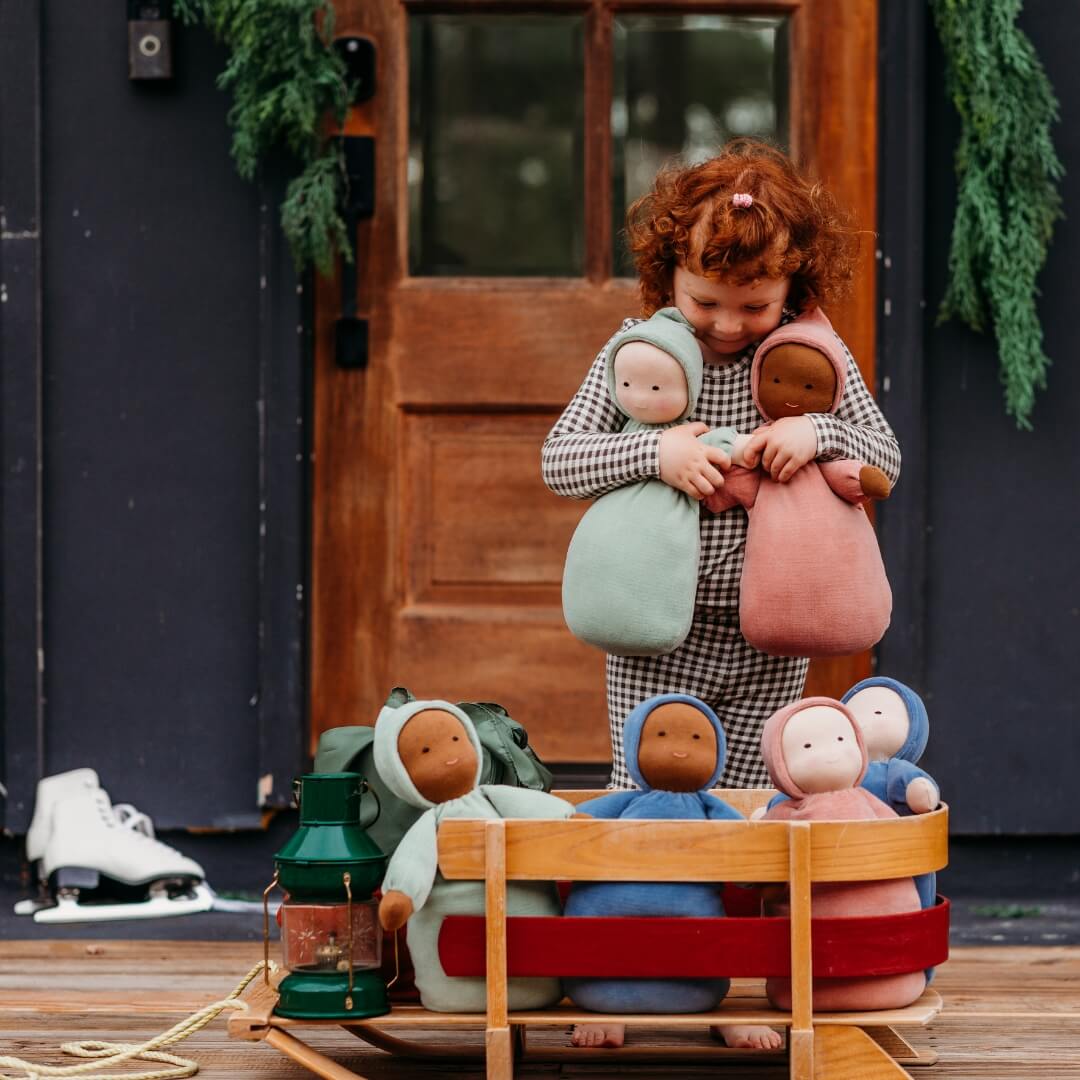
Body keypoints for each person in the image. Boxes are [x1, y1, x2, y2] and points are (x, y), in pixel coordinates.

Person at [542, 138, 901, 791]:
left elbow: (886, 457)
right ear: (666, 274)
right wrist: (655, 450)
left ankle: (739, 898)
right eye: (705, 303)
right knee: (653, 789)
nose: (730, 325)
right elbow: (561, 459)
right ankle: (650, 895)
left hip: (768, 634)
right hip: (657, 636)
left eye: (755, 306)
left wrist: (817, 431)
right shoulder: (640, 353)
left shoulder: (813, 361)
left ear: (794, 289)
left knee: (759, 797)